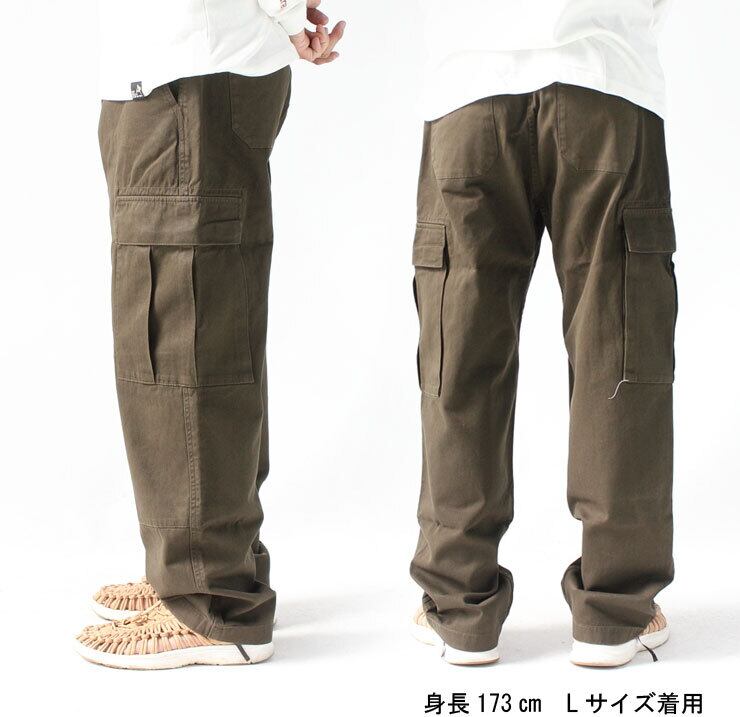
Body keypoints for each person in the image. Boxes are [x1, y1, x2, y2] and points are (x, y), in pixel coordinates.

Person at [75, 0, 345, 670]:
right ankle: (210, 566)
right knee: (208, 330)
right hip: (185, 77)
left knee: (181, 336)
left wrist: (287, 15)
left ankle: (209, 598)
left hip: (187, 82)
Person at [409, 0, 676, 667]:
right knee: (618, 349)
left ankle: (459, 609)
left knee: (459, 353)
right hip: (604, 80)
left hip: (468, 89)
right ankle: (614, 611)